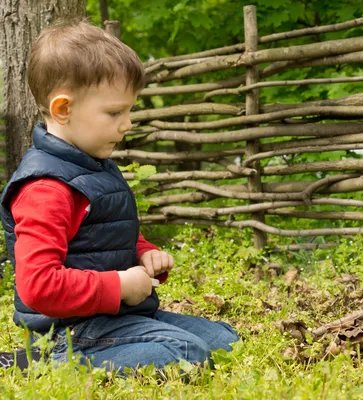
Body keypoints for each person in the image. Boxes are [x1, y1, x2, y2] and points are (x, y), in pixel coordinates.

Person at [0, 19, 238, 373]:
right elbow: (37, 285)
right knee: (187, 354)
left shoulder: (95, 164)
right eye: (115, 113)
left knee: (225, 341)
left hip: (113, 316)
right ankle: (50, 362)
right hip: (70, 329)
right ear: (63, 109)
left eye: (129, 110)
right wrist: (117, 285)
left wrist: (145, 253)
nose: (127, 124)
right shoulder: (46, 188)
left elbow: (107, 232)